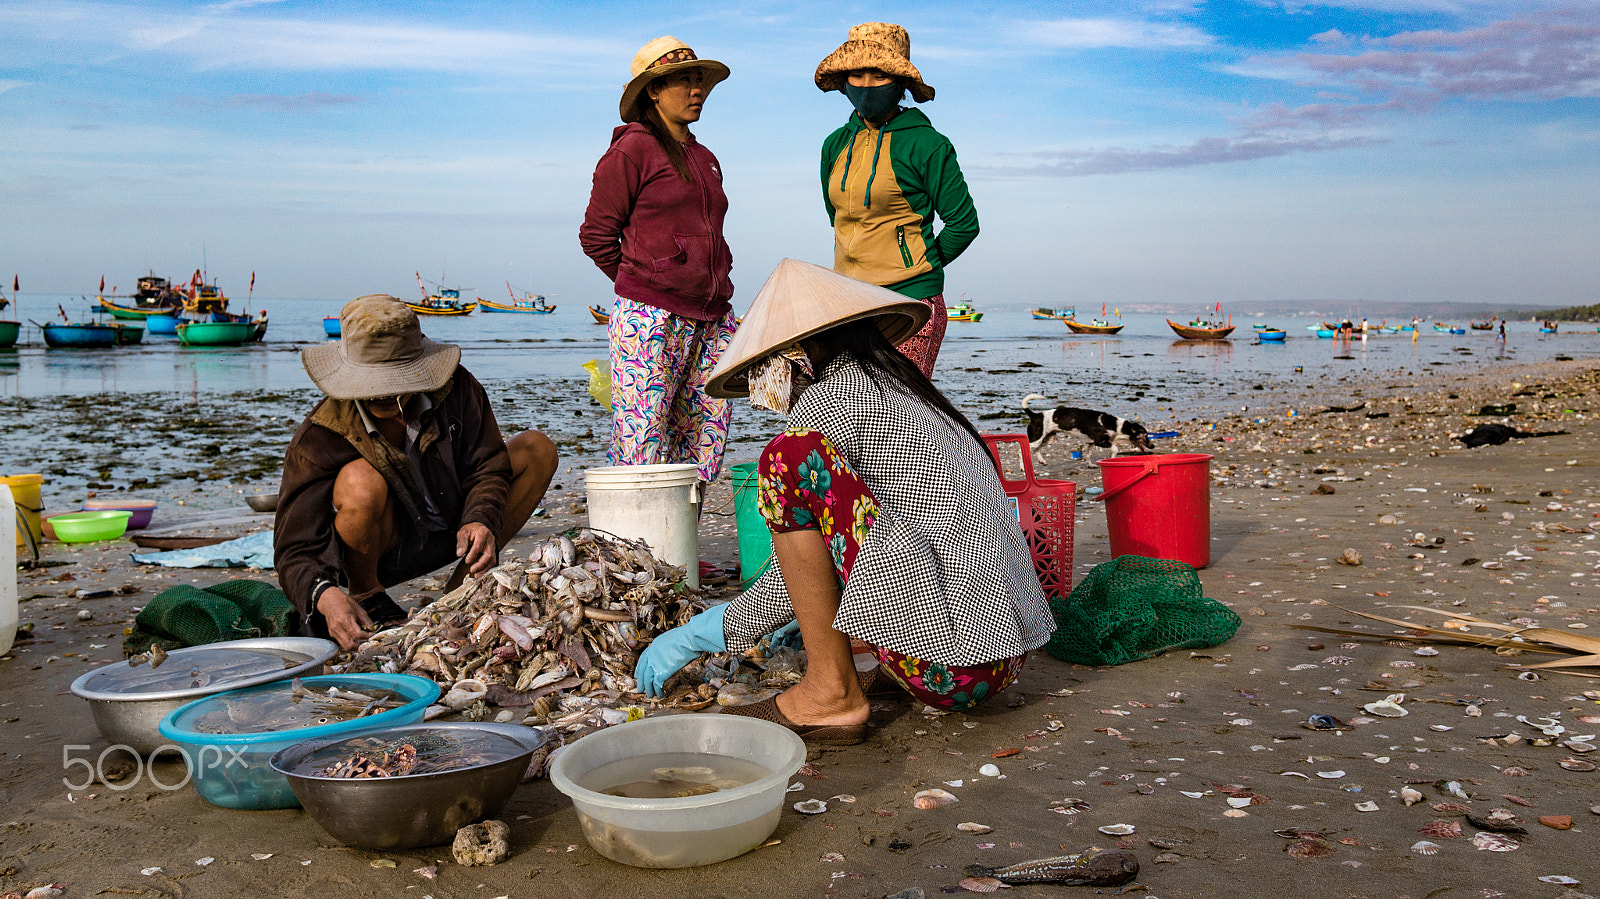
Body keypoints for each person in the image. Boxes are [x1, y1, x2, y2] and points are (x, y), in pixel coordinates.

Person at [633, 259, 1054, 745]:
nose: (763, 390)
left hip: (956, 668)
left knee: (785, 461)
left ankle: (831, 692)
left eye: (766, 369)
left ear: (793, 357)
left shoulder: (828, 402)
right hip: (1004, 656)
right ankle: (861, 669)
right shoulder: (904, 389)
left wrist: (709, 630)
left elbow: (808, 563)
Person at [275, 295, 558, 650]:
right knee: (361, 480)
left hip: (456, 535)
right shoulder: (320, 436)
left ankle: (463, 588)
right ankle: (367, 595)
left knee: (536, 448)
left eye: (395, 384)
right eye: (373, 386)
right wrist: (324, 594)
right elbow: (294, 547)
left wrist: (481, 518)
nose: (384, 396)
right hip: (384, 550)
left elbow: (488, 466)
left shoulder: (458, 389)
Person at [579, 36, 737, 484]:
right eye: (683, 80)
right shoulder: (631, 150)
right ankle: (636, 551)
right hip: (648, 315)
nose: (696, 90)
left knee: (705, 441)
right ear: (652, 90)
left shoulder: (705, 157)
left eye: (700, 81)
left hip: (711, 319)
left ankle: (681, 549)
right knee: (642, 441)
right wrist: (646, 281)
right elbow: (596, 235)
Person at [813, 22, 979, 377]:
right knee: (849, 408)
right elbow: (838, 218)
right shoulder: (834, 145)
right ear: (843, 80)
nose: (868, 85)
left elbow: (964, 224)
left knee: (900, 414)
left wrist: (920, 265)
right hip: (850, 303)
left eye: (880, 74)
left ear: (900, 82)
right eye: (858, 73)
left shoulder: (928, 144)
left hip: (910, 303)